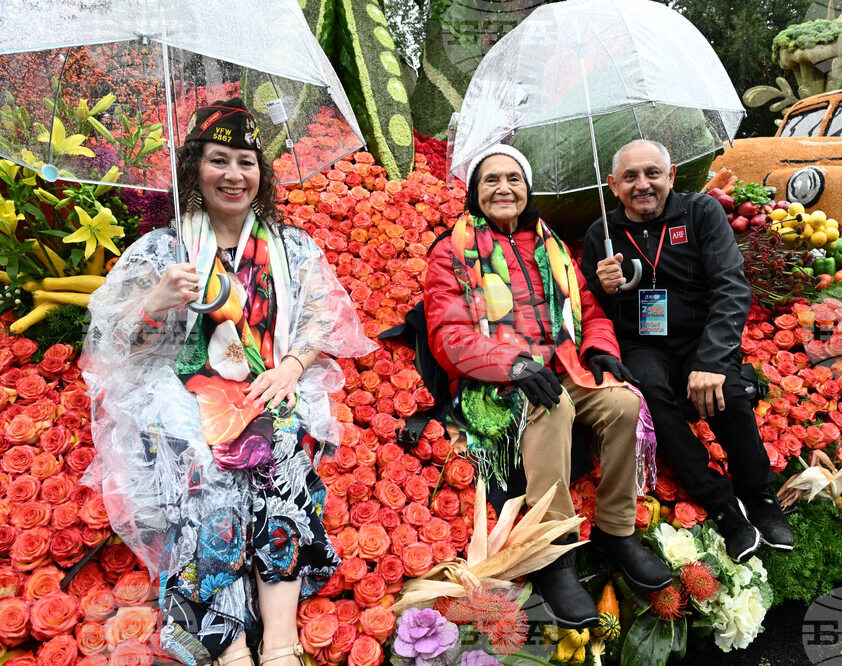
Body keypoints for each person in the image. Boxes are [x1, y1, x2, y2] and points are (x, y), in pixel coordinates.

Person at [82, 98, 376, 666]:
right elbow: (110, 340)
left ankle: (281, 643)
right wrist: (155, 301)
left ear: (261, 173)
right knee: (203, 463)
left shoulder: (291, 247)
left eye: (247, 161)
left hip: (266, 383)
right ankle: (229, 642)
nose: (234, 174)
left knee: (281, 445)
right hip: (179, 392)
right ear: (195, 168)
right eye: (219, 160)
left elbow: (322, 318)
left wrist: (292, 367)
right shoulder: (163, 250)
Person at [423, 144, 672, 629]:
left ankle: (616, 531)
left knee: (623, 404)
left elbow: (589, 309)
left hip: (563, 366)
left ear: (527, 189)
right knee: (552, 406)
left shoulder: (550, 244)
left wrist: (600, 349)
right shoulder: (450, 251)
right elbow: (448, 336)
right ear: (475, 193)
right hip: (497, 380)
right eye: (491, 180)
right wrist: (512, 365)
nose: (504, 188)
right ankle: (553, 552)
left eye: (513, 179)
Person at [581, 139, 794, 563]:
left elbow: (731, 287)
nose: (643, 184)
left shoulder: (700, 213)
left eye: (652, 173)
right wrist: (603, 288)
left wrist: (711, 361)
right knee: (650, 400)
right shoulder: (601, 234)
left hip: (701, 336)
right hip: (643, 345)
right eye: (630, 177)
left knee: (728, 391)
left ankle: (759, 495)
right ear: (613, 185)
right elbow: (592, 313)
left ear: (671, 175)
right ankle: (724, 506)